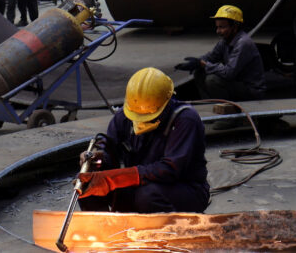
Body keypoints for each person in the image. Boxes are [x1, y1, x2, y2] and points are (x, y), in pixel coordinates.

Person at [77, 67, 209, 213]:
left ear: (166, 102)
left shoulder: (185, 119)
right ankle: (106, 230)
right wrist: (99, 156)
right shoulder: (124, 116)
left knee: (147, 196)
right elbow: (110, 147)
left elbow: (170, 170)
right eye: (137, 116)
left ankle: (171, 229)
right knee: (87, 185)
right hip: (142, 184)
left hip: (184, 189)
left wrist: (114, 179)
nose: (140, 121)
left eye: (148, 117)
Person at [176, 5, 265, 101]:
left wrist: (204, 64)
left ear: (235, 27)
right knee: (199, 73)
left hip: (250, 91)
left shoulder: (243, 43)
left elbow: (229, 72)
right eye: (217, 27)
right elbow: (212, 56)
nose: (218, 31)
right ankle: (209, 104)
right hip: (236, 83)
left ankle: (227, 107)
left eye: (222, 27)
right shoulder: (225, 40)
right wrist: (197, 62)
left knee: (213, 80)